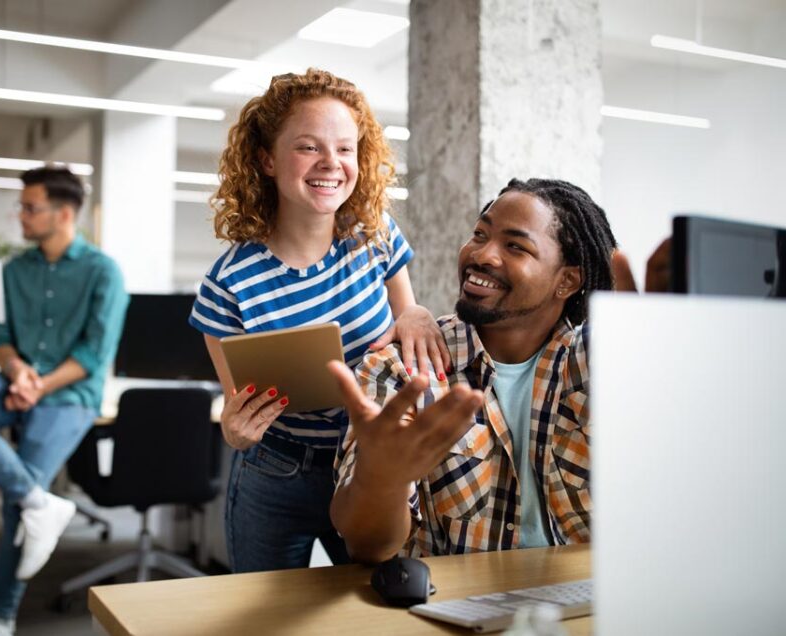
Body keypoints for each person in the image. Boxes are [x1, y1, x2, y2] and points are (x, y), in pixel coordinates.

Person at [188, 69, 450, 573]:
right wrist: (238, 431)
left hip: (366, 464)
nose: (332, 163)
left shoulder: (375, 237)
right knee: (262, 618)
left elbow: (405, 318)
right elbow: (236, 411)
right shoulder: (228, 283)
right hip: (274, 471)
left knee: (376, 608)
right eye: (309, 147)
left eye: (346, 148)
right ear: (266, 160)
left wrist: (416, 314)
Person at [330, 178, 622, 563]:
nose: (482, 254)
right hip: (455, 605)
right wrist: (381, 479)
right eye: (479, 234)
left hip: (585, 603)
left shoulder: (604, 364)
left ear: (566, 280)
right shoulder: (401, 370)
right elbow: (367, 546)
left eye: (515, 245)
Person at [0, 166, 128, 636]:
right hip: (14, 379)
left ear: (63, 214)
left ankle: (0, 616)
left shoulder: (102, 271)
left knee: (16, 500)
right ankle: (39, 500)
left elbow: (93, 354)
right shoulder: (14, 270)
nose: (20, 215)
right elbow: (0, 340)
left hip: (70, 393)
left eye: (29, 206)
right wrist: (19, 371)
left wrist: (39, 384)